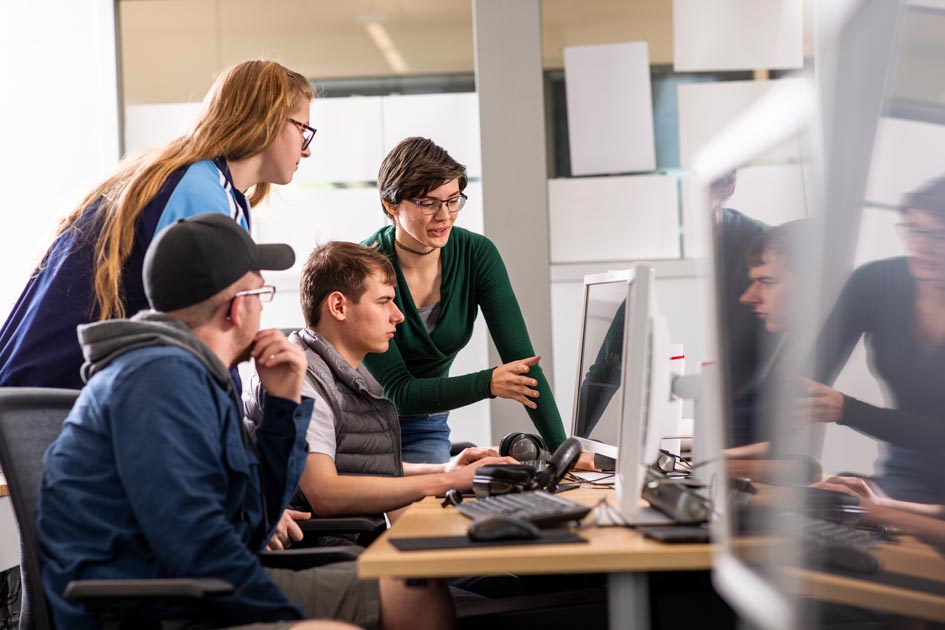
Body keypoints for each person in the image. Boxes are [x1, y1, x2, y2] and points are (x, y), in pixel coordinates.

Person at [38, 214, 454, 630]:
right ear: (237, 309)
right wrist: (291, 620)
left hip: (202, 586)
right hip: (150, 607)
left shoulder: (200, 377)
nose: (262, 309)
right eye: (262, 294)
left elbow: (257, 520)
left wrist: (282, 407)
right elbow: (198, 550)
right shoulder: (159, 383)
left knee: (413, 586)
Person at [0, 58, 316, 390]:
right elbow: (210, 337)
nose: (307, 151)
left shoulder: (194, 180)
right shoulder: (200, 193)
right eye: (303, 130)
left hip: (36, 391)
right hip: (52, 398)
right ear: (267, 120)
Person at [245, 241, 517, 521]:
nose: (398, 316)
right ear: (339, 306)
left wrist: (446, 469)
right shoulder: (301, 379)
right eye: (384, 301)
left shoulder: (343, 370)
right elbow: (326, 493)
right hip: (330, 550)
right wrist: (447, 482)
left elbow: (356, 469)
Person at [362, 137, 566, 463]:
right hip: (358, 425)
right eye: (429, 203)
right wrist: (489, 382)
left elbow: (523, 363)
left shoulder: (476, 254)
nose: (444, 215)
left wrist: (561, 451)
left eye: (453, 200)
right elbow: (398, 392)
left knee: (433, 510)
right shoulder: (364, 266)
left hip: (425, 423)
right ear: (391, 205)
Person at [804, 175, 945, 504]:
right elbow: (808, 377)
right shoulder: (875, 282)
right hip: (908, 469)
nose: (921, 246)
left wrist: (847, 410)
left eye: (938, 235)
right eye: (913, 229)